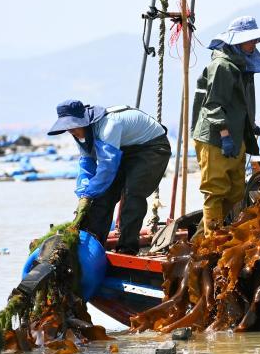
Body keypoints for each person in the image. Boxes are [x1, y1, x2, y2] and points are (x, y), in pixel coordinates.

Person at [48, 100, 171, 254]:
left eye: (74, 127)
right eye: (68, 129)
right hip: (123, 151)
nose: (72, 132)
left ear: (85, 122)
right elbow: (87, 165)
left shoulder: (109, 125)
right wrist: (84, 193)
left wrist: (89, 193)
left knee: (132, 194)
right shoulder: (80, 135)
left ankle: (127, 249)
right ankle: (93, 247)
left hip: (152, 148)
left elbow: (107, 167)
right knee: (102, 197)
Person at [192, 15, 260, 234]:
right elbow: (212, 105)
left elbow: (240, 106)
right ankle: (210, 243)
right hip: (215, 138)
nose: (254, 44)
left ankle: (202, 237)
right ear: (236, 41)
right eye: (250, 40)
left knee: (236, 192)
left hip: (235, 136)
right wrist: (225, 134)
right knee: (216, 191)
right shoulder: (222, 66)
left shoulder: (241, 66)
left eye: (255, 40)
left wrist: (255, 128)